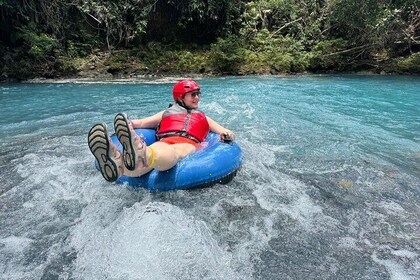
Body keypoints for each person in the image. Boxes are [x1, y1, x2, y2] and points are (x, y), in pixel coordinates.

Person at [88, 79, 235, 182]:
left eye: (198, 94)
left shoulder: (204, 118)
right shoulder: (167, 113)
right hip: (165, 143)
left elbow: (225, 131)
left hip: (187, 143)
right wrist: (127, 124)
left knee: (164, 151)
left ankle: (122, 163)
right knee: (158, 152)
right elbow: (141, 123)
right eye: (193, 95)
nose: (197, 98)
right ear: (180, 97)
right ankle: (120, 163)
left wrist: (226, 136)